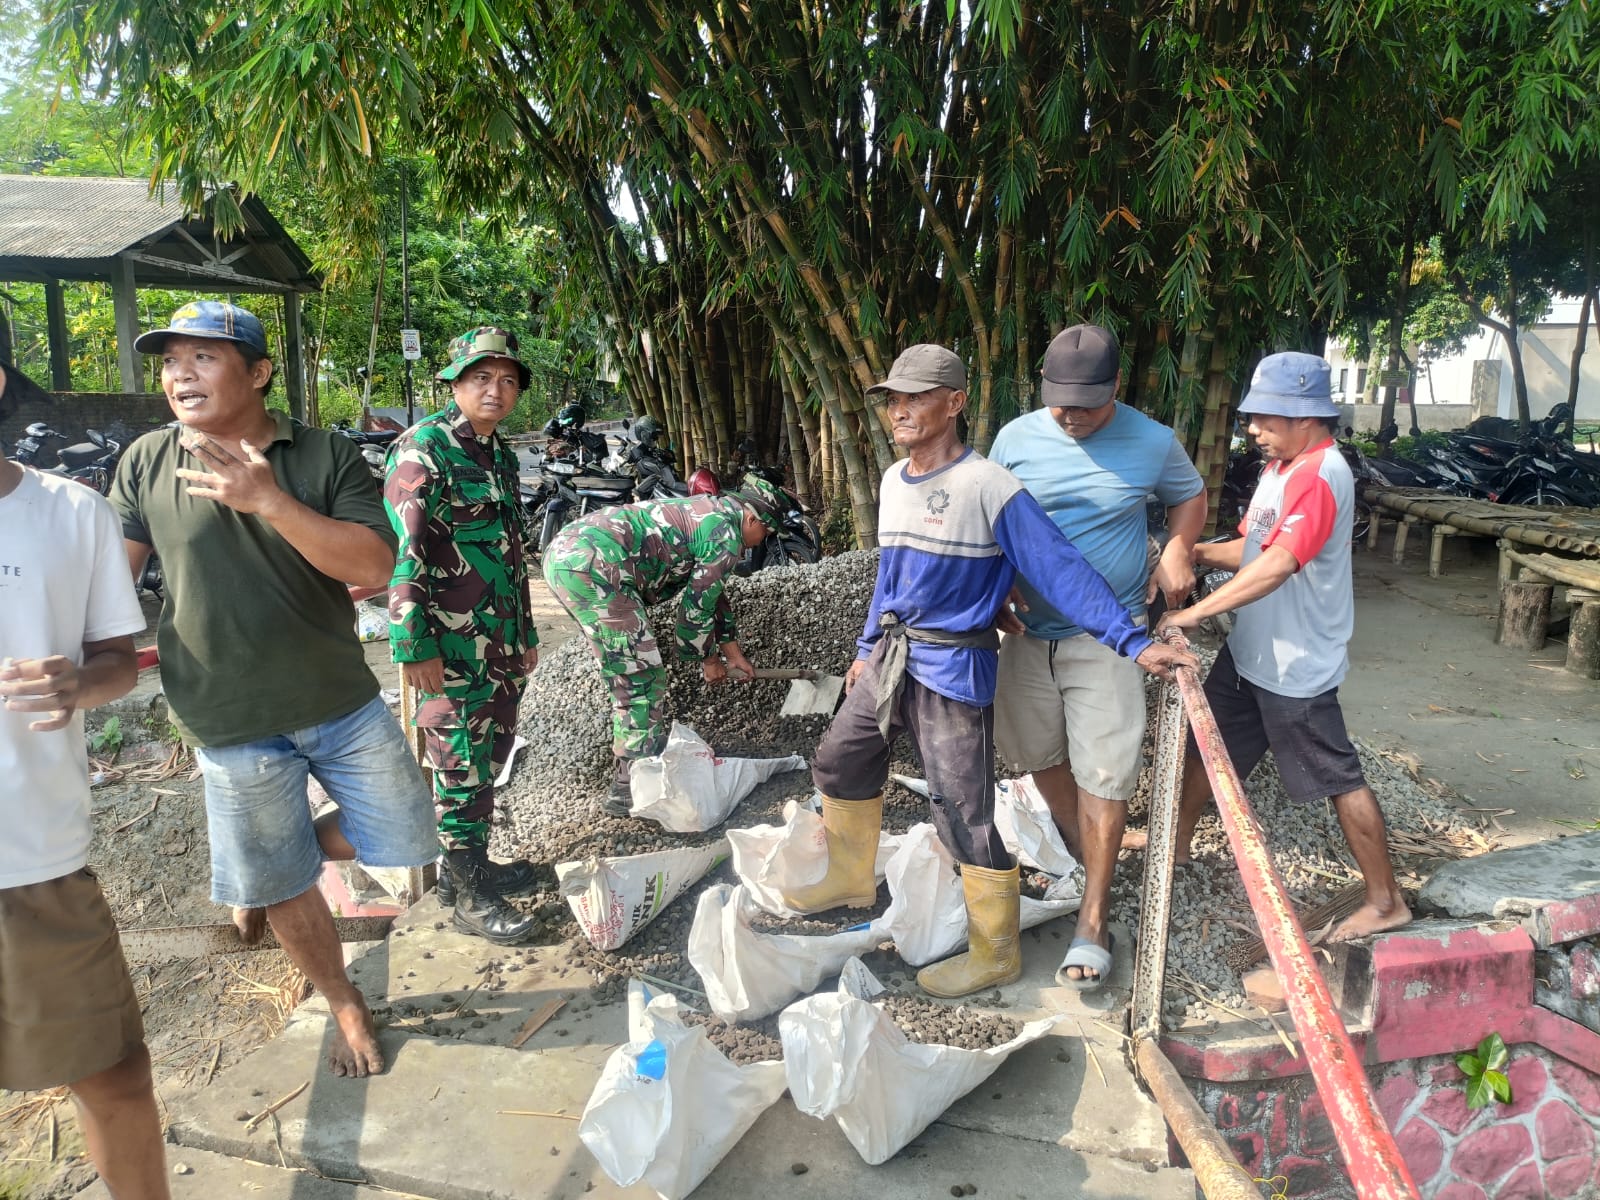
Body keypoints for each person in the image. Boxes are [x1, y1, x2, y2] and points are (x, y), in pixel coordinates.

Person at [784, 344, 1196, 1000]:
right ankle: (849, 875)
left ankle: (995, 950)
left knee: (961, 810)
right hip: (894, 654)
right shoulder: (894, 482)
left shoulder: (989, 485)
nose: (900, 411)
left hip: (953, 663)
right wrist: (865, 648)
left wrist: (1128, 639)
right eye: (894, 399)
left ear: (955, 403)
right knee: (839, 757)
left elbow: (1057, 564)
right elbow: (889, 576)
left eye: (916, 398)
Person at [110, 301, 437, 1077]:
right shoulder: (145, 462)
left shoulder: (323, 455)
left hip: (338, 702)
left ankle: (262, 869)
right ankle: (342, 998)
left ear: (258, 373)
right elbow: (105, 588)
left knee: (408, 831)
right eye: (169, 362)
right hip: (228, 717)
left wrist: (269, 501)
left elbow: (373, 567)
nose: (180, 375)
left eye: (204, 358)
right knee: (288, 880)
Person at [1157, 351, 1412, 941]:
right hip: (1250, 656)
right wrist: (1187, 551)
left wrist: (1193, 611)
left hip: (1295, 669)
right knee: (1208, 747)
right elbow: (1249, 547)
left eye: (1266, 419)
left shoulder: (1322, 475)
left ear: (1306, 419)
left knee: (1338, 778)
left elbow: (1276, 566)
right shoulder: (1279, 471)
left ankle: (1384, 899)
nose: (1253, 430)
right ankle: (1178, 844)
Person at [987, 323, 1207, 990]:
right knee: (1037, 754)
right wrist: (994, 593)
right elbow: (993, 517)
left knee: (1107, 775)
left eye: (1085, 402)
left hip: (1110, 638)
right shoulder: (1015, 438)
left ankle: (1093, 915)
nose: (1071, 416)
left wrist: (1176, 547)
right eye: (1059, 401)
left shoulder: (1152, 440)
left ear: (1117, 386)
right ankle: (1090, 853)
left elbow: (1189, 498)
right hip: (1027, 634)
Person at [0, 360, 170, 1198]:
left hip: (32, 859)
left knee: (113, 1077)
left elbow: (115, 660)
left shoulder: (70, 511)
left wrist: (78, 685)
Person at [385, 326, 541, 945]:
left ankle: (465, 870)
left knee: (490, 757)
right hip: (446, 648)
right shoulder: (424, 451)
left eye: (507, 381)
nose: (495, 390)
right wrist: (413, 645)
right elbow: (408, 552)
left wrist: (524, 632)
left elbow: (509, 551)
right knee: (459, 763)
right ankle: (470, 897)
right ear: (453, 382)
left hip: (498, 640)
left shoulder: (498, 454)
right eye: (482, 378)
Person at [542, 475, 789, 815]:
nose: (757, 544)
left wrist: (733, 653)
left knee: (626, 663)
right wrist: (709, 660)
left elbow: (713, 595)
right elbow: (695, 608)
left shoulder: (712, 513)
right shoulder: (727, 536)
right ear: (752, 518)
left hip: (568, 555)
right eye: (765, 533)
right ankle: (630, 784)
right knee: (640, 675)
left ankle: (638, 746)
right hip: (597, 566)